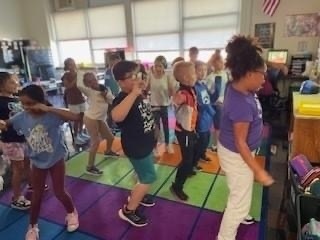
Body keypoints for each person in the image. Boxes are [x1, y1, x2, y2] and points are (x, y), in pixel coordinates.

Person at [0, 85, 80, 240]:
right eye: (23, 104)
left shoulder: (52, 116)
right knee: (36, 195)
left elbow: (76, 117)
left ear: (40, 101)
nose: (26, 107)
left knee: (59, 192)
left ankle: (71, 213)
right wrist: (2, 124)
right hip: (37, 162)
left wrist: (48, 109)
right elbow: (7, 123)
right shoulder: (22, 116)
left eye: (29, 103)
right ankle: (32, 226)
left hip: (56, 159)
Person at [216, 35, 274, 240]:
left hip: (235, 152)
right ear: (249, 74)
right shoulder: (241, 103)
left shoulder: (240, 85)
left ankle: (239, 212)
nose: (265, 79)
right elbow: (241, 142)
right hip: (237, 154)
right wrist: (258, 170)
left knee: (238, 190)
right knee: (239, 204)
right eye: (262, 75)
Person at [111, 61, 157, 227]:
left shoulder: (138, 94)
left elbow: (147, 116)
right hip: (136, 146)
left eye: (137, 75)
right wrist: (134, 93)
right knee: (149, 176)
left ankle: (139, 193)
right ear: (120, 82)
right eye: (131, 77)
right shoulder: (123, 98)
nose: (136, 79)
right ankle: (128, 210)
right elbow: (116, 116)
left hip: (145, 142)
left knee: (141, 173)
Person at [0, 72, 31, 210]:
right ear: (1, 86)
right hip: (11, 140)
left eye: (16, 82)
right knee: (17, 169)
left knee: (27, 162)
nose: (16, 84)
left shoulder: (16, 98)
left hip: (23, 137)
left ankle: (32, 184)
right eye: (12, 82)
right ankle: (16, 197)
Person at [78, 71, 118, 175]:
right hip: (91, 118)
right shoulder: (89, 91)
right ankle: (90, 167)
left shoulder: (104, 88)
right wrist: (78, 70)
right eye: (90, 81)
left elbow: (112, 101)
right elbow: (78, 85)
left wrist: (105, 94)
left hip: (100, 119)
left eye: (94, 79)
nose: (93, 82)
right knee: (95, 142)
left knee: (110, 137)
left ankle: (108, 151)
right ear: (87, 84)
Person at [170, 61, 198, 201]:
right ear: (186, 78)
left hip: (190, 129)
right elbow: (170, 108)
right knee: (187, 159)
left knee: (192, 154)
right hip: (184, 132)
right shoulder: (182, 94)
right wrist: (171, 127)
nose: (196, 75)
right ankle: (177, 186)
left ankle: (187, 169)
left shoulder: (191, 89)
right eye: (193, 73)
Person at [147, 56, 176, 155]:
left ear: (164, 66)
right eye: (156, 66)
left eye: (160, 66)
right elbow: (146, 89)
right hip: (154, 105)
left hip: (164, 104)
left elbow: (172, 90)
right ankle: (154, 147)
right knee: (156, 127)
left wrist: (172, 99)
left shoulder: (167, 76)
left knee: (166, 126)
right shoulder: (150, 75)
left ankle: (168, 144)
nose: (158, 68)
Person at [193, 61, 215, 170]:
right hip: (201, 119)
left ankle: (202, 154)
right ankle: (194, 162)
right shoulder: (194, 86)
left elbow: (208, 99)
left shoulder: (203, 84)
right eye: (199, 70)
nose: (202, 72)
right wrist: (213, 112)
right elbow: (202, 104)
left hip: (207, 118)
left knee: (207, 139)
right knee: (201, 141)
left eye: (204, 70)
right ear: (194, 71)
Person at [62, 58, 89, 145]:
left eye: (73, 63)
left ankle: (81, 133)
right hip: (72, 100)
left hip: (81, 98)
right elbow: (68, 86)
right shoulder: (66, 75)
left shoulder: (79, 73)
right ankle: (76, 136)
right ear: (67, 66)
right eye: (70, 64)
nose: (72, 65)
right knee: (76, 119)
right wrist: (76, 78)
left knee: (82, 117)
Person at [206, 51, 229, 151]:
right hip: (214, 104)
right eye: (216, 62)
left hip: (225, 103)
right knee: (215, 126)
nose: (219, 64)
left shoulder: (226, 74)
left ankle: (221, 144)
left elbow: (229, 88)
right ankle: (216, 144)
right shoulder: (210, 77)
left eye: (220, 62)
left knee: (222, 126)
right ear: (213, 64)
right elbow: (208, 92)